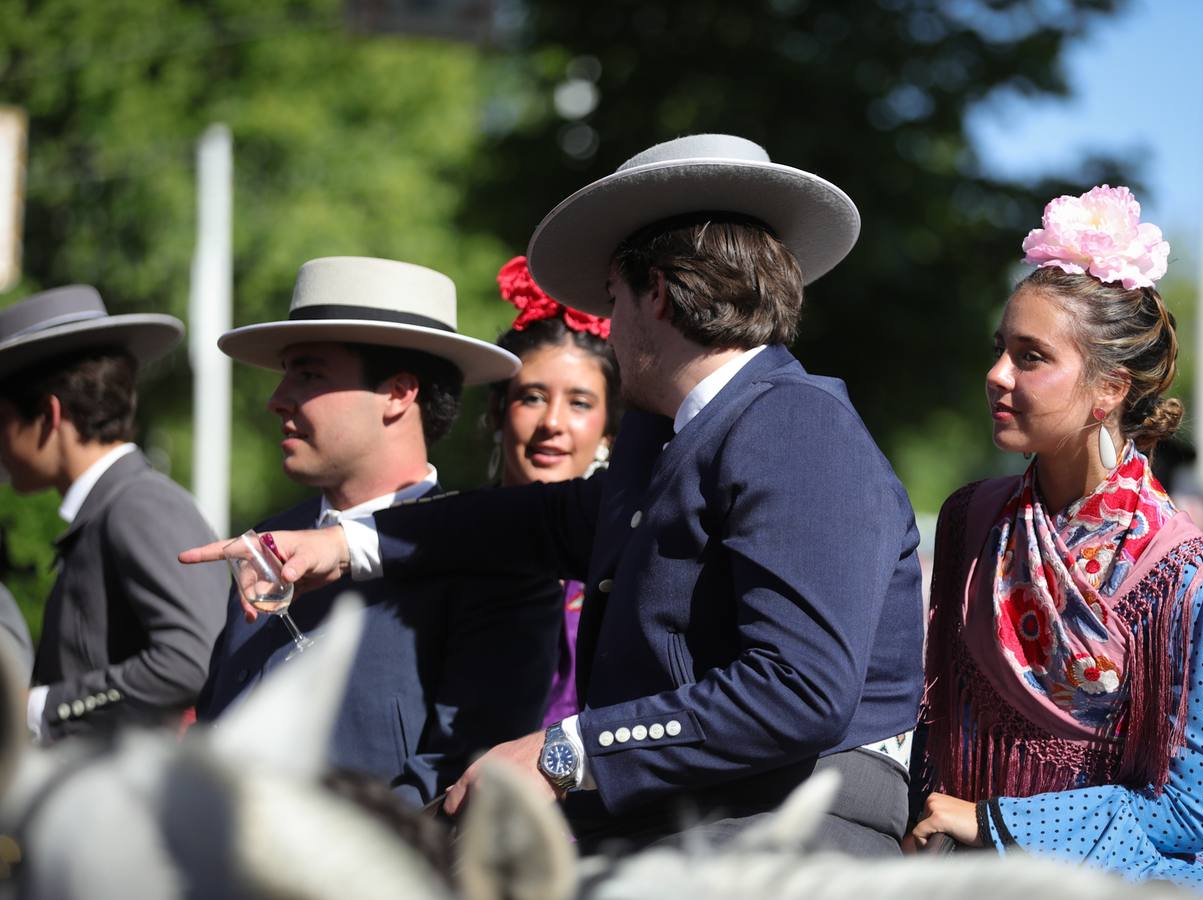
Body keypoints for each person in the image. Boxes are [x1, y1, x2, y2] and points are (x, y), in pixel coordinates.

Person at [183, 134, 926, 854]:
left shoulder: (793, 422)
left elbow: (795, 692)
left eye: (612, 300)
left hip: (783, 845)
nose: (606, 327)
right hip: (695, 837)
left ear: (656, 296)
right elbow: (535, 521)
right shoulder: (684, 439)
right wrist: (346, 543)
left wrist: (564, 751)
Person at [908, 186, 1203, 895]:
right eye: (999, 350)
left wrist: (998, 825)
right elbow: (936, 724)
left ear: (1107, 391)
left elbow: (1185, 813)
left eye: (1030, 357)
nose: (996, 375)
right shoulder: (969, 522)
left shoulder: (1186, 578)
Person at [194, 256, 562, 805]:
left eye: (310, 373)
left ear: (398, 393)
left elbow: (457, 790)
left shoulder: (496, 569)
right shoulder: (264, 542)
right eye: (287, 372)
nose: (278, 398)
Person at [0, 285, 224, 742]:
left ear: (48, 413)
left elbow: (190, 661)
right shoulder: (115, 505)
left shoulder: (138, 504)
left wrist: (42, 708)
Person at [489, 255, 620, 723]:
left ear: (608, 431)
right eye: (532, 397)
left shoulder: (630, 565)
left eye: (580, 403)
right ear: (497, 413)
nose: (552, 423)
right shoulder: (442, 549)